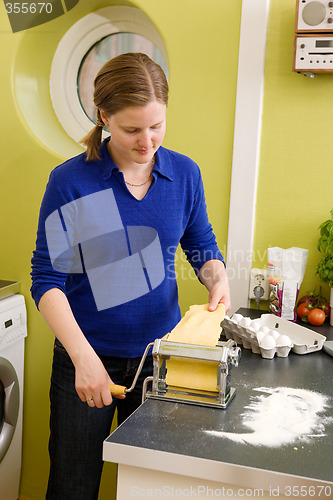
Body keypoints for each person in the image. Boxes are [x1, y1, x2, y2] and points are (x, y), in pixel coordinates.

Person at [31, 52, 231, 500]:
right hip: (85, 359)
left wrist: (216, 277)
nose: (148, 141)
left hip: (158, 363)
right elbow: (47, 280)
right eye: (132, 129)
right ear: (103, 117)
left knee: (155, 488)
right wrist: (84, 359)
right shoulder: (73, 181)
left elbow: (201, 246)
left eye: (157, 125)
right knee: (72, 486)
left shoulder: (184, 174)